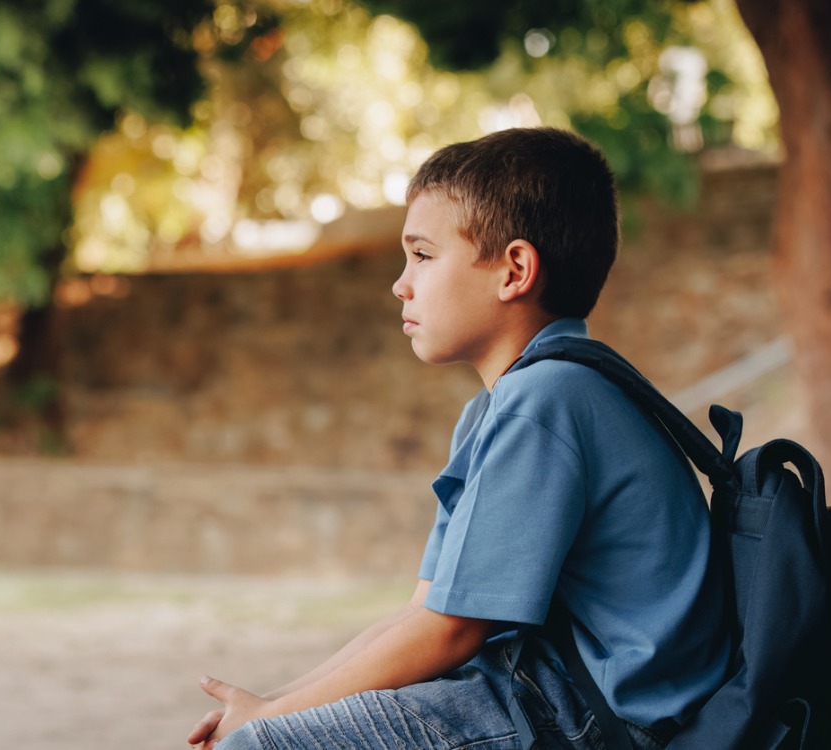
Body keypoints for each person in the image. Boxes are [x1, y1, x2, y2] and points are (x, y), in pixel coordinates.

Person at [186, 127, 733, 750]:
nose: (401, 283)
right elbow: (424, 613)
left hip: (600, 720)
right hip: (542, 692)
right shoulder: (503, 407)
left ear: (515, 271)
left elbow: (452, 633)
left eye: (421, 255)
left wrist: (266, 726)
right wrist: (276, 702)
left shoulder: (547, 402)